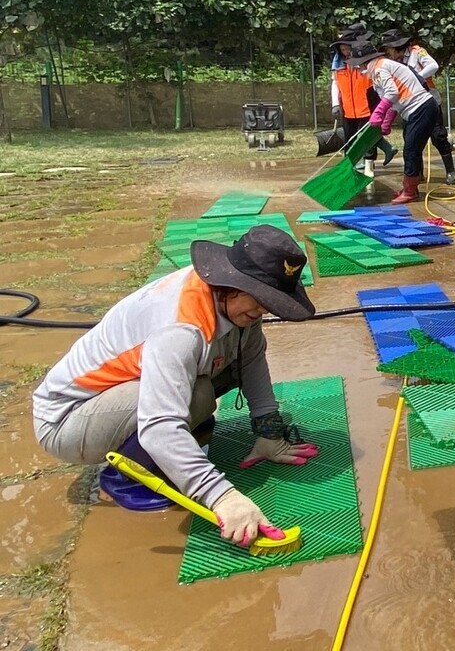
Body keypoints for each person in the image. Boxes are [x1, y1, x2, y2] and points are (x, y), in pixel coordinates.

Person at [32, 225, 319, 547]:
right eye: (262, 300)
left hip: (116, 399)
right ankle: (123, 479)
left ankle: (165, 447)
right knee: (196, 397)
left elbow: (251, 360)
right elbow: (160, 425)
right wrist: (222, 497)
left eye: (272, 302)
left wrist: (270, 434)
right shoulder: (179, 330)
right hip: (67, 420)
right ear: (233, 286)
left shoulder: (229, 302)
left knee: (210, 379)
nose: (264, 310)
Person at [348, 39, 441, 204]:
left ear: (364, 61)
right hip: (418, 109)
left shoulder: (379, 67)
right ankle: (409, 187)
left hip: (422, 108)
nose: (358, 67)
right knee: (411, 149)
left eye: (358, 63)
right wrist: (387, 120)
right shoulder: (379, 67)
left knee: (411, 150)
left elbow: (392, 92)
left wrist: (378, 112)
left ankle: (410, 191)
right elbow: (395, 97)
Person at [380, 29, 455, 185]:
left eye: (389, 48)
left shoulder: (417, 52)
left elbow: (433, 66)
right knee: (411, 141)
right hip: (408, 106)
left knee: (438, 137)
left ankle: (450, 172)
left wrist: (415, 78)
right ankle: (417, 173)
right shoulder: (392, 62)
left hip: (429, 102)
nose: (388, 52)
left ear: (398, 46)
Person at [330, 26, 397, 176]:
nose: (345, 52)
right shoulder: (339, 66)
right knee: (350, 139)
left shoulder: (364, 64)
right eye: (342, 49)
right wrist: (335, 104)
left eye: (347, 49)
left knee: (366, 138)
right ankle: (352, 166)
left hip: (366, 106)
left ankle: (369, 167)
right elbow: (335, 84)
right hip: (348, 108)